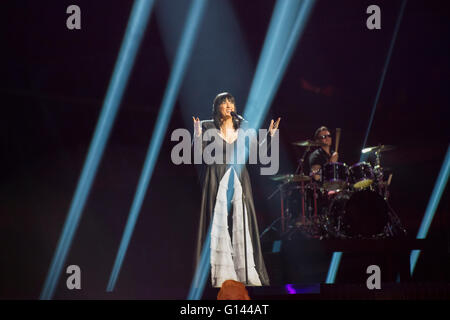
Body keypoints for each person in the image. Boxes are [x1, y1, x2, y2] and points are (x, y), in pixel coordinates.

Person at [192, 92, 280, 288]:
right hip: (216, 176)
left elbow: (257, 154)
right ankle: (220, 276)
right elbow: (198, 156)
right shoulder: (207, 126)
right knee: (218, 223)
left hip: (239, 177)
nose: (228, 105)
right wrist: (197, 136)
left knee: (242, 222)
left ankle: (245, 273)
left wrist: (271, 138)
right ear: (217, 107)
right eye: (224, 103)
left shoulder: (243, 127)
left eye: (231, 102)